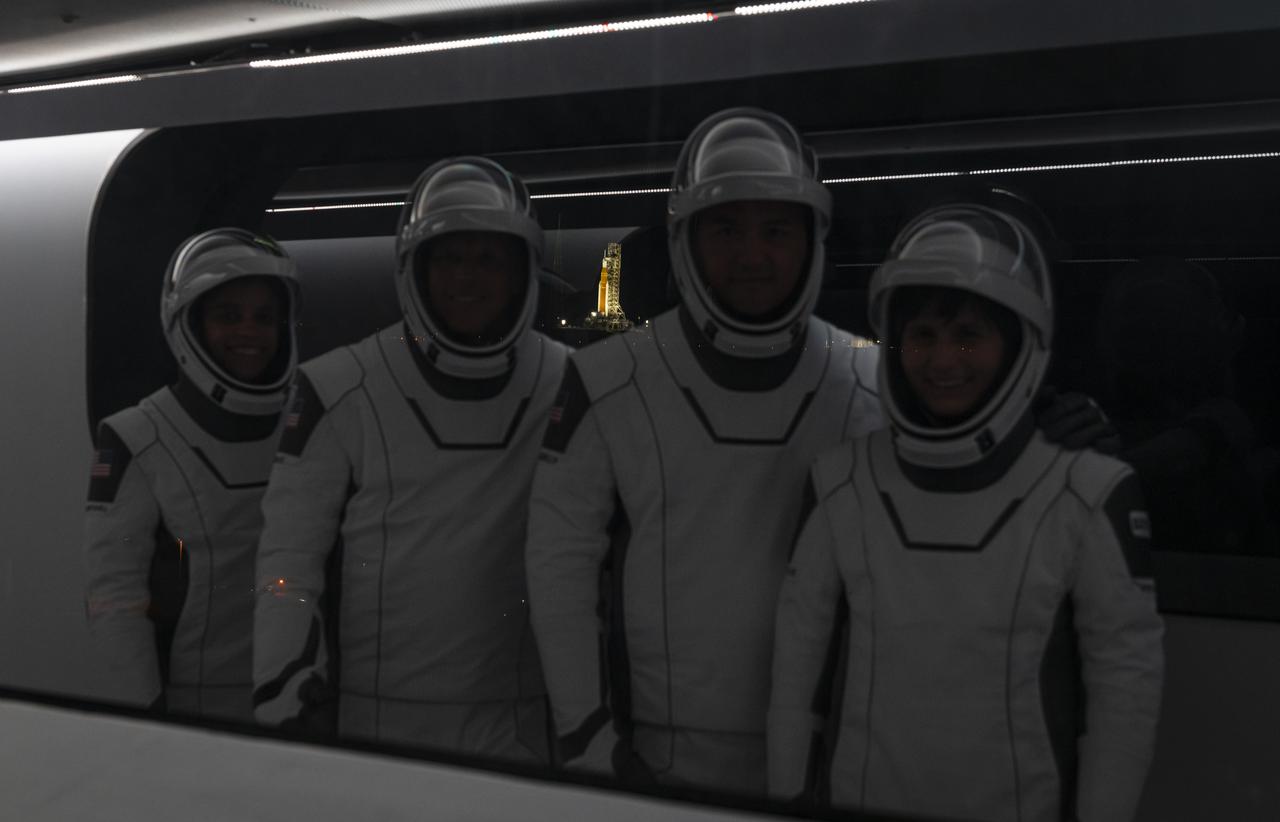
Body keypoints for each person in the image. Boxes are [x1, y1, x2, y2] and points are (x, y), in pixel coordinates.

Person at [525, 108, 884, 795]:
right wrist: (590, 737)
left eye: (776, 230)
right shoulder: (608, 380)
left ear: (813, 239)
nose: (753, 255)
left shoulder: (872, 382)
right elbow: (558, 571)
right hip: (657, 756)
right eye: (726, 229)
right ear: (685, 241)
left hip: (837, 751)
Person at [768, 203, 1164, 822]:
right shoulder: (841, 480)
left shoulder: (1088, 492)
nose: (942, 361)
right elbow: (796, 675)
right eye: (922, 336)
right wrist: (787, 800)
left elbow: (1124, 696)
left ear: (1018, 346)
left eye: (967, 336)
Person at [252, 157, 566, 763]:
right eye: (449, 258)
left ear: (521, 271)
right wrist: (285, 689)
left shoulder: (564, 381)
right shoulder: (338, 386)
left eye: (488, 260)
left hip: (522, 723)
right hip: (377, 726)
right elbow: (288, 562)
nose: (467, 279)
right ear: (414, 267)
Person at [83, 228, 300, 721]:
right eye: (228, 316)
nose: (249, 332)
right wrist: (147, 722)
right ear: (189, 325)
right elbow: (114, 601)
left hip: (300, 695)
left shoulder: (307, 423)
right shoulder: (137, 437)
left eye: (264, 318)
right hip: (193, 712)